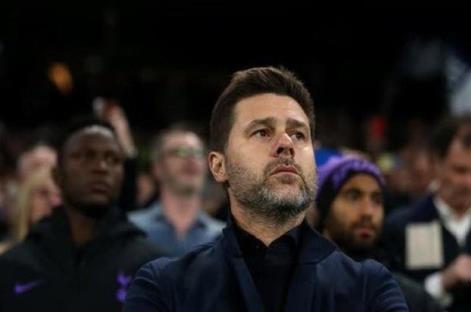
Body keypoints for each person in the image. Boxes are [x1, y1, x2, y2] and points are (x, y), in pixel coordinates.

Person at [124, 66, 408, 311]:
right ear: (219, 166)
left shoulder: (370, 288)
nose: (286, 143)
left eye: (299, 134)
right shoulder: (164, 288)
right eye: (262, 132)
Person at [0, 118, 163, 311]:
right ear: (57, 175)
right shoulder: (12, 266)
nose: (101, 167)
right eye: (85, 156)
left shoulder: (152, 268)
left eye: (113, 159)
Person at [383, 115, 471, 312]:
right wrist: (442, 282)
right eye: (460, 170)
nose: (468, 182)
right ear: (437, 162)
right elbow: (387, 297)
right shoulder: (401, 225)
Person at [316, 156, 442, 312]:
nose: (368, 212)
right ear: (325, 207)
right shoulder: (302, 283)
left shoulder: (406, 294)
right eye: (353, 197)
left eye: (376, 200)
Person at [129, 124, 224, 256]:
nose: (190, 159)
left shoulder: (222, 237)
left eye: (197, 153)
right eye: (179, 152)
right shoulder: (132, 228)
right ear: (158, 168)